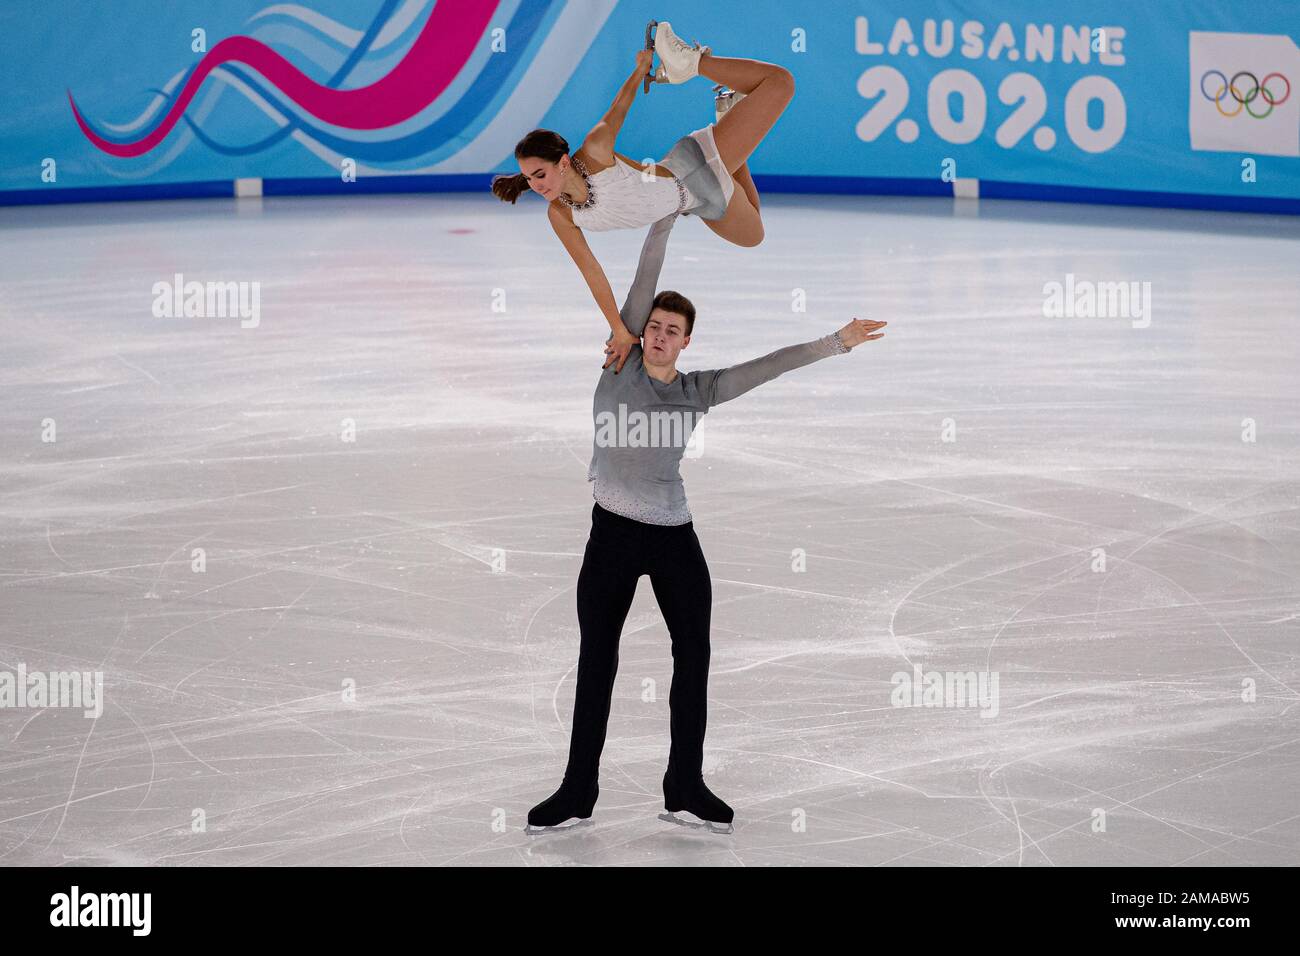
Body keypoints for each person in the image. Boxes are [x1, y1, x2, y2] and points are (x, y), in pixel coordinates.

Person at [525, 210, 888, 832]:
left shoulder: (699, 391)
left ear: (688, 341)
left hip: (673, 539)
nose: (661, 334)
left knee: (693, 655)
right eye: (655, 326)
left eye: (673, 330)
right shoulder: (619, 365)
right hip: (610, 535)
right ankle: (576, 791)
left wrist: (837, 342)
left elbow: (769, 365)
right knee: (598, 660)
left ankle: (685, 785)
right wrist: (663, 214)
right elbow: (643, 281)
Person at [490, 21, 796, 375]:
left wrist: (640, 70)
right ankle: (727, 111)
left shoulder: (596, 150)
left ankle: (692, 63)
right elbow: (592, 271)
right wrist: (619, 330)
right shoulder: (561, 215)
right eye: (529, 179)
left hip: (695, 167)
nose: (536, 186)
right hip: (693, 202)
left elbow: (619, 107)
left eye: (539, 175)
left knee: (780, 83)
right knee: (753, 234)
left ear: (561, 162)